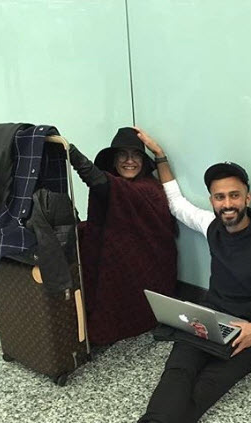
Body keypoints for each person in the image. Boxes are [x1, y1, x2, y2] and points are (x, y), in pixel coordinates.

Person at [125, 129, 251, 423]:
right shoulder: (211, 225)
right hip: (210, 318)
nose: (227, 203)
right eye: (219, 196)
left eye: (234, 195)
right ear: (212, 201)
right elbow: (177, 204)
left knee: (205, 390)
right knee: (177, 372)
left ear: (247, 198)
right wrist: (160, 156)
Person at [68, 127, 177, 346]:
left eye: (136, 155)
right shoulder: (119, 186)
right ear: (114, 160)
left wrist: (73, 154)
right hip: (121, 253)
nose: (129, 161)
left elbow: (102, 184)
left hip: (150, 269)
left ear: (143, 161)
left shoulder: (148, 188)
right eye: (122, 155)